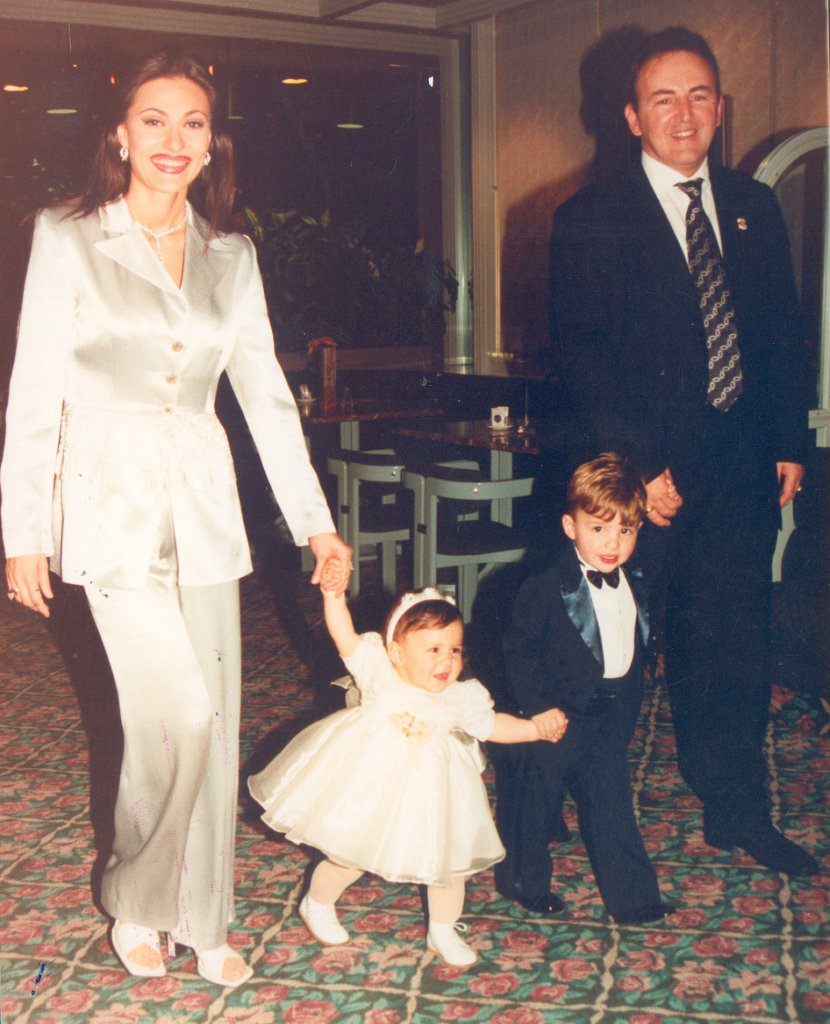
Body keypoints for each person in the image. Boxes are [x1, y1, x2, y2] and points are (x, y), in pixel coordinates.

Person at [1, 49, 351, 986]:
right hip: (104, 503)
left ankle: (206, 916)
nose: (172, 139)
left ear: (211, 143)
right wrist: (22, 531)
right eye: (153, 120)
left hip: (201, 502)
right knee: (180, 715)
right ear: (120, 135)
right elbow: (33, 392)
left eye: (192, 122)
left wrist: (315, 523)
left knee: (217, 715)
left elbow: (265, 397)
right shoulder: (68, 236)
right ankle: (138, 896)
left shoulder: (231, 255)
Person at [549, 27, 819, 876]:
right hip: (641, 479)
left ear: (720, 107)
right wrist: (637, 469)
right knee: (605, 650)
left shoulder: (753, 205)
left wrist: (789, 440)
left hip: (741, 468)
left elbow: (781, 331)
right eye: (663, 98)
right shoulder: (590, 216)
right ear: (632, 116)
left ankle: (738, 810)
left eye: (699, 95)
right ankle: (561, 796)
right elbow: (583, 358)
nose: (684, 114)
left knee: (735, 646)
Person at [248, 567, 567, 968]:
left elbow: (493, 726)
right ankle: (317, 902)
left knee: (450, 863)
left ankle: (443, 929)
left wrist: (535, 729)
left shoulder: (459, 697)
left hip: (436, 789)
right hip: (373, 784)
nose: (447, 660)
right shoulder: (378, 670)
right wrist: (333, 596)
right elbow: (343, 635)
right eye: (433, 650)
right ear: (397, 653)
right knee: (349, 856)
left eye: (454, 649)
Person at [498, 453, 672, 923]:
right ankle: (524, 881)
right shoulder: (545, 586)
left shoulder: (636, 578)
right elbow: (519, 650)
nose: (613, 543)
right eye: (598, 528)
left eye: (626, 530)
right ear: (570, 526)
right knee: (536, 801)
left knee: (612, 803)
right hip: (555, 714)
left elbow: (634, 636)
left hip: (611, 713)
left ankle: (635, 898)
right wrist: (537, 709)